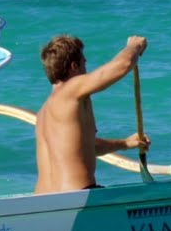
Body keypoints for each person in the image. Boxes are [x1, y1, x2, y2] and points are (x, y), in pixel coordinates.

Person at [33, 35, 149, 194]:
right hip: (78, 197)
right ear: (74, 67)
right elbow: (123, 64)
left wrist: (125, 143)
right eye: (84, 64)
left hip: (41, 203)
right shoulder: (71, 88)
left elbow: (84, 147)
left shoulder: (43, 113)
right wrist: (134, 46)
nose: (86, 70)